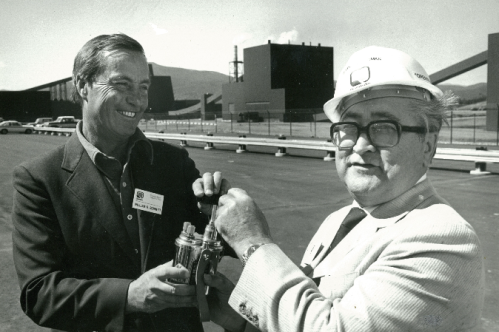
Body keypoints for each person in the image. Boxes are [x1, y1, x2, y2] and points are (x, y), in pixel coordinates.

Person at [197, 46, 485, 331]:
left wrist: (253, 242)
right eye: (349, 128)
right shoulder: (338, 221)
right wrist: (241, 322)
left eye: (384, 127)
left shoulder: (441, 239)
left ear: (428, 145)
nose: (360, 145)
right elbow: (315, 312)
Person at [12, 33, 211, 332]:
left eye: (143, 87)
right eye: (122, 84)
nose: (138, 99)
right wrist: (128, 296)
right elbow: (39, 293)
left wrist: (216, 209)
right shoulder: (39, 178)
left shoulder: (174, 163)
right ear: (82, 85)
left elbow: (214, 242)